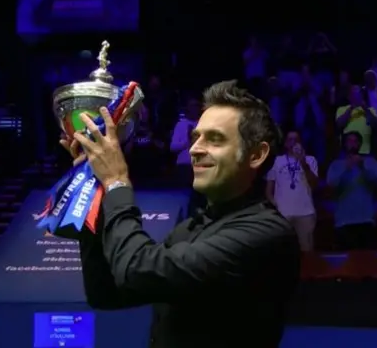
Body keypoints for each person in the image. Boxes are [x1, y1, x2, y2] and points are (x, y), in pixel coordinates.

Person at [62, 80, 300, 348]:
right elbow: (105, 293)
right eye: (196, 137)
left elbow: (138, 270)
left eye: (215, 139)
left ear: (256, 154)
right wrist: (95, 191)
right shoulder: (191, 228)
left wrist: (116, 181)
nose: (195, 149)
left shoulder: (265, 234)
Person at [327, 132, 377, 251]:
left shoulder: (370, 162)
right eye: (349, 141)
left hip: (366, 219)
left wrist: (363, 167)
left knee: (366, 260)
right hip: (343, 221)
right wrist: (346, 167)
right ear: (345, 144)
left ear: (360, 144)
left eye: (355, 141)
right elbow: (331, 185)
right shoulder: (336, 165)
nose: (352, 144)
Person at [265, 130, 319, 252]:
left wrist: (303, 162)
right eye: (290, 139)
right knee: (283, 252)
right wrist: (275, 205)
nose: (293, 142)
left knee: (307, 252)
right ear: (285, 143)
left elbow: (314, 184)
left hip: (305, 213)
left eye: (296, 139)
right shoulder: (277, 161)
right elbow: (269, 189)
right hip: (283, 214)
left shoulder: (310, 160)